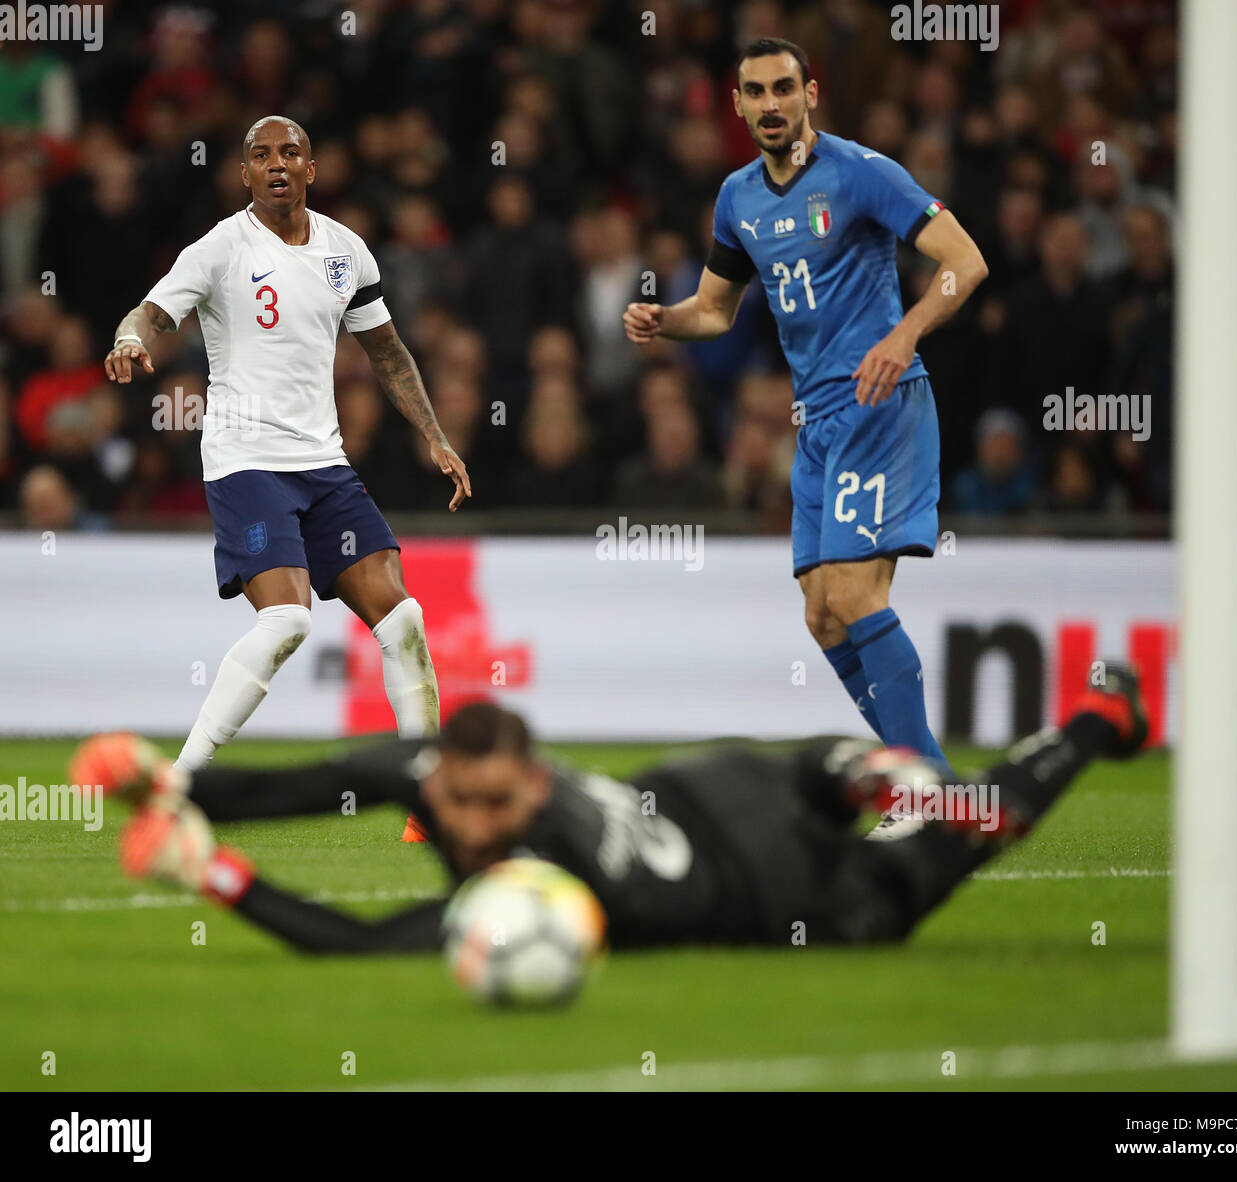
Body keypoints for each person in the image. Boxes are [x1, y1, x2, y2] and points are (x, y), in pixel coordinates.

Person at [70, 665, 1148, 952]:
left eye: (497, 805)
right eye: (461, 801)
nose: (476, 824)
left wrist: (211, 874)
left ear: (534, 787)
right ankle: (1100, 717)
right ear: (432, 777)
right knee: (955, 810)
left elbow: (363, 946)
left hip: (816, 893)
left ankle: (916, 777)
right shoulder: (426, 767)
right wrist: (162, 777)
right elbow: (288, 788)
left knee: (963, 824)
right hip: (732, 798)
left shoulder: (540, 880)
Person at [624, 39, 988, 794]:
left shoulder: (861, 174)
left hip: (882, 408)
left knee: (855, 597)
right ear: (737, 106)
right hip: (816, 424)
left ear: (810, 93)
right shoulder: (738, 198)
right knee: (824, 618)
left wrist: (903, 333)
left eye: (783, 88)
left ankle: (927, 786)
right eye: (754, 92)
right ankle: (929, 779)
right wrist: (666, 320)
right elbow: (716, 312)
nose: (770, 104)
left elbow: (965, 261)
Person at [103, 116, 470, 844]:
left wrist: (434, 436)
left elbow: (389, 354)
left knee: (403, 620)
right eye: (261, 155)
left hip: (324, 465)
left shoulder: (346, 250)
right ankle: (179, 785)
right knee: (290, 619)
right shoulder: (220, 247)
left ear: (312, 167)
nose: (277, 164)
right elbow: (150, 312)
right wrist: (126, 341)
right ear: (243, 175)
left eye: (290, 152)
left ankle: (426, 794)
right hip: (246, 457)